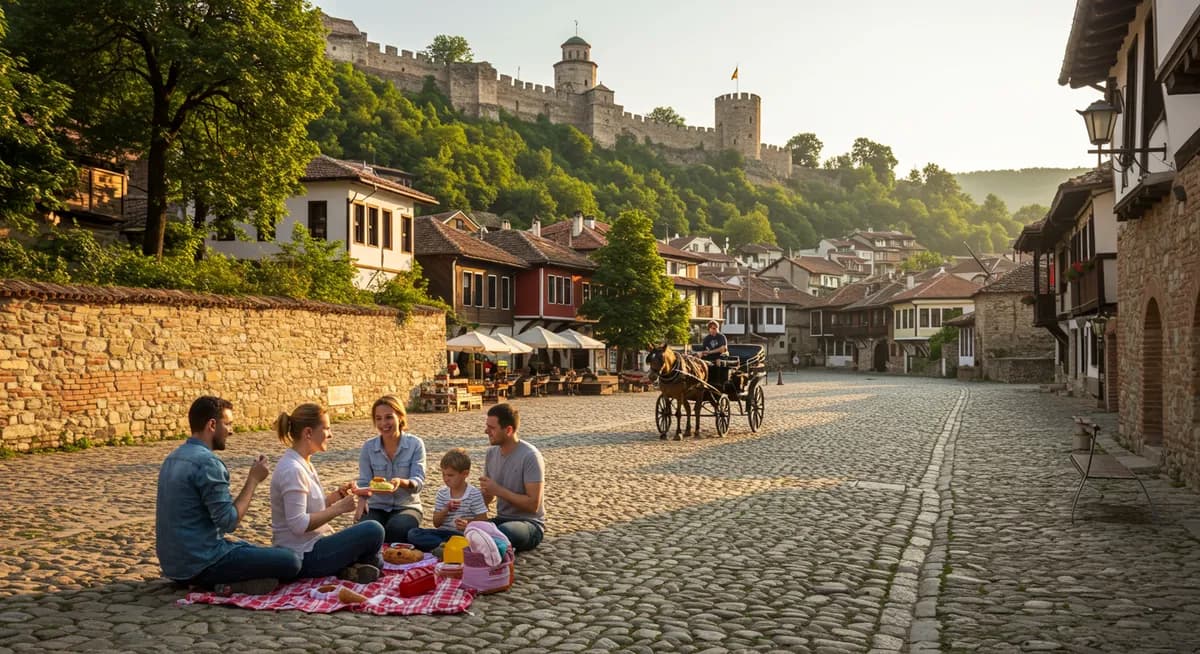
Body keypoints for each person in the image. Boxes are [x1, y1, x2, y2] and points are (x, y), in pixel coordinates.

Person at [156, 396, 301, 595]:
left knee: (252, 549)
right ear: (212, 424)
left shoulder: (172, 458)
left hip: (173, 566)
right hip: (202, 562)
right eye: (228, 424)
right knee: (290, 560)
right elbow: (229, 522)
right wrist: (253, 480)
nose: (231, 431)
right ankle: (225, 586)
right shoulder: (208, 463)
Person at [271, 403, 385, 583]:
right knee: (373, 529)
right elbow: (298, 524)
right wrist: (338, 509)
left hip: (315, 544)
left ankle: (357, 566)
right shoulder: (293, 470)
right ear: (308, 433)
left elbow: (310, 507)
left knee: (370, 530)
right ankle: (368, 564)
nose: (330, 435)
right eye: (326, 429)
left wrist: (336, 496)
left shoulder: (303, 462)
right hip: (305, 554)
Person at [357, 395, 427, 543]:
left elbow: (418, 482)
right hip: (376, 505)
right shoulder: (368, 447)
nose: (383, 423)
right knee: (366, 531)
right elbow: (364, 482)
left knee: (397, 529)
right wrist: (361, 503)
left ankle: (393, 562)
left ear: (400, 417)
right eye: (378, 418)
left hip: (407, 505)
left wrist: (401, 482)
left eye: (388, 417)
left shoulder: (415, 444)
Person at [479, 403, 545, 552]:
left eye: (492, 428)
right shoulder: (491, 454)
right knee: (469, 530)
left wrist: (498, 490)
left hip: (528, 524)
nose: (486, 431)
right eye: (487, 426)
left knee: (503, 532)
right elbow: (487, 497)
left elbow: (533, 505)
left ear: (508, 430)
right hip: (501, 519)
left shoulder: (530, 456)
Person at [406, 448, 489, 552]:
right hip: (443, 534)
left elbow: (483, 520)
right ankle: (444, 547)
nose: (446, 478)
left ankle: (447, 548)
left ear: (465, 474)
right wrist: (445, 510)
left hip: (462, 535)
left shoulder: (474, 494)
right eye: (443, 474)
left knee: (472, 541)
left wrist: (468, 523)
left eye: (450, 475)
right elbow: (436, 523)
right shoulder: (442, 493)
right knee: (413, 533)